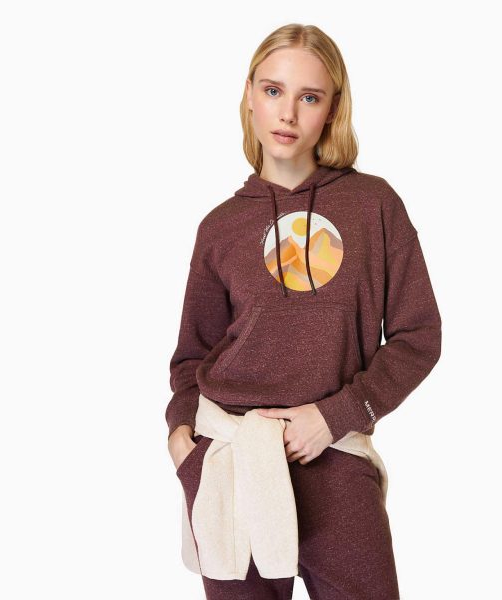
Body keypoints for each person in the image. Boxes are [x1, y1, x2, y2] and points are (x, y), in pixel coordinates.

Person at [166, 23, 442, 600]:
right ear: (249, 94)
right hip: (231, 463)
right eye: (273, 90)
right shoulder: (219, 227)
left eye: (309, 97)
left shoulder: (374, 206)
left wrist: (338, 413)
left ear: (332, 108)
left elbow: (418, 335)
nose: (287, 113)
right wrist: (181, 437)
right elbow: (193, 354)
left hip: (334, 460)